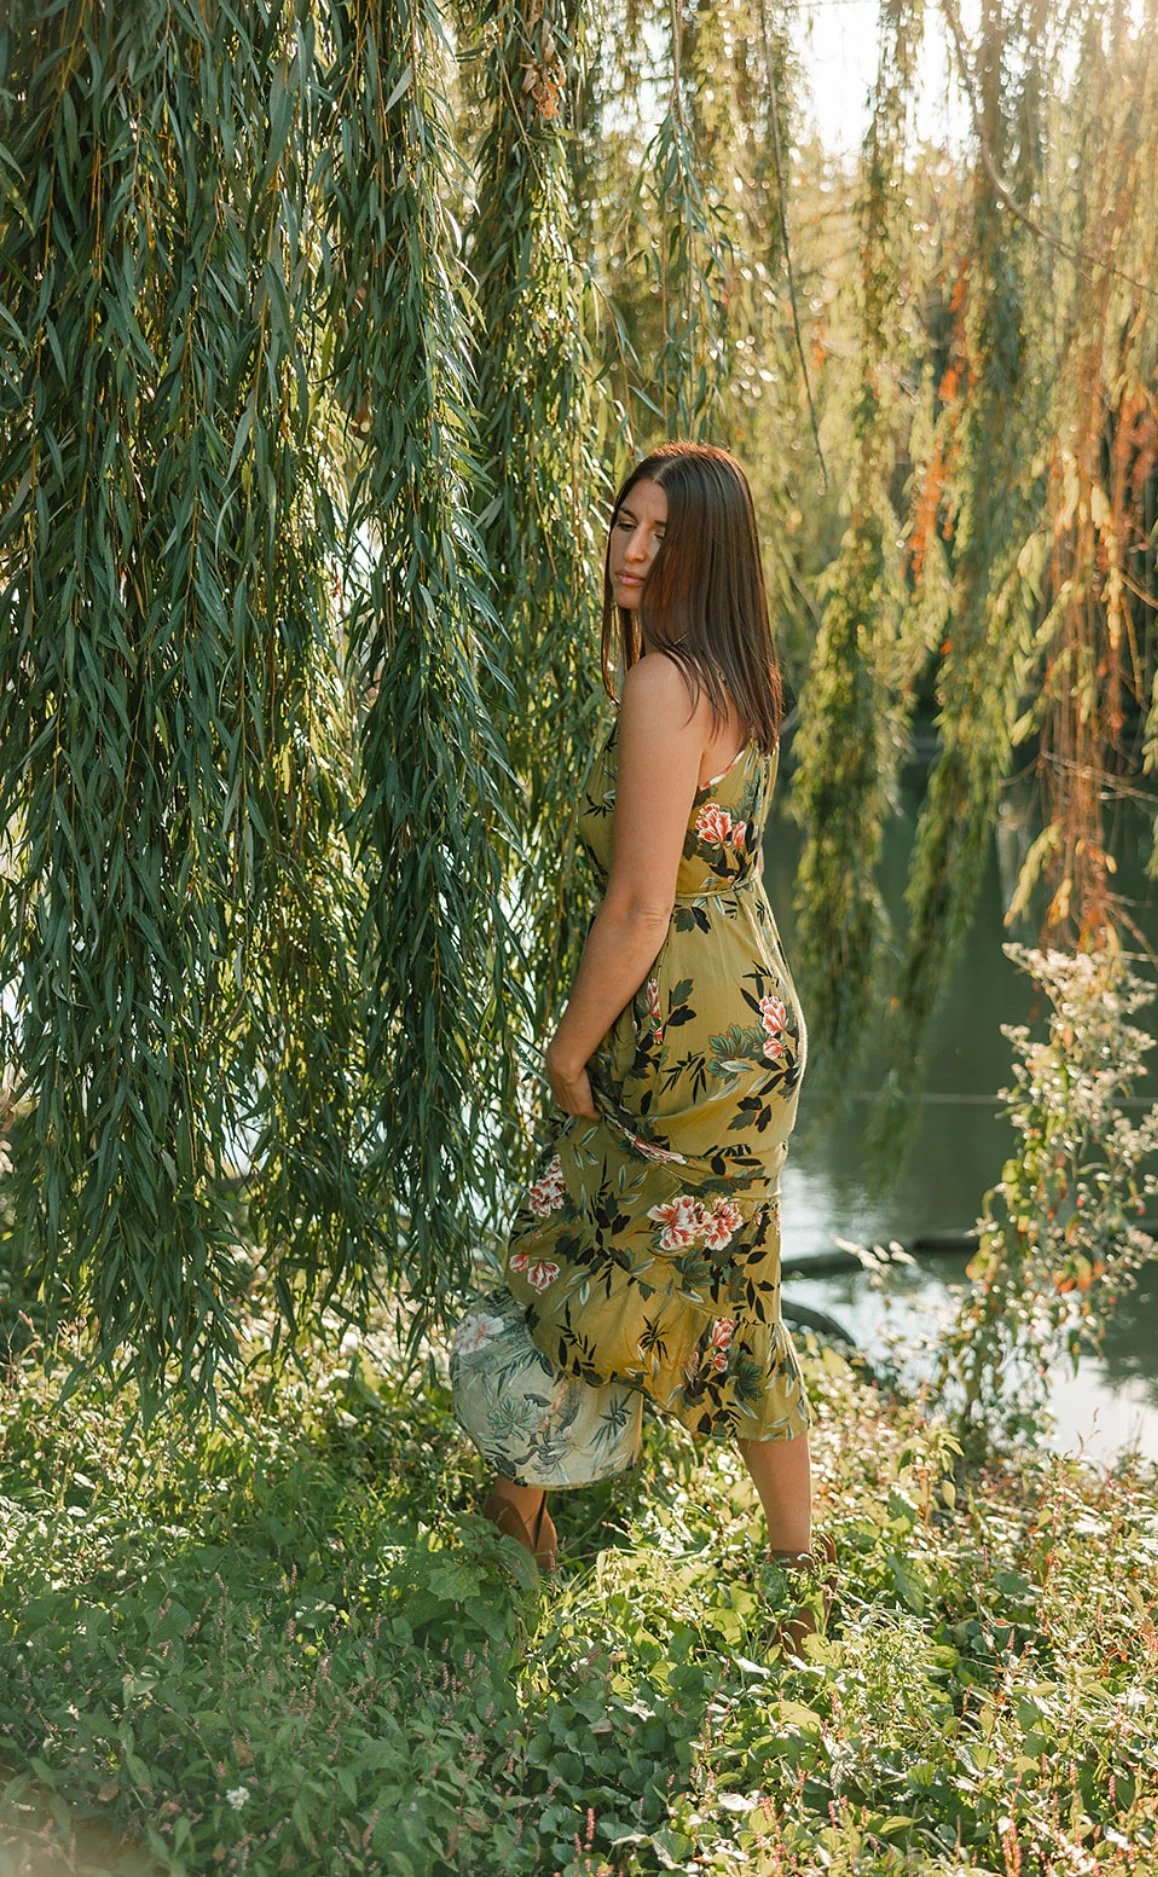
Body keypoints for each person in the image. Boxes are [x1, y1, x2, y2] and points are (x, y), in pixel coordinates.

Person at [450, 441, 834, 1651]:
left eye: (660, 534)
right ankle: (793, 1567)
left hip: (681, 1040)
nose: (628, 547)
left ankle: (515, 1519)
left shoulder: (662, 684)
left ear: (704, 552)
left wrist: (568, 1052)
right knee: (729, 1288)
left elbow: (638, 906)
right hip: (750, 1025)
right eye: (623, 522)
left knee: (570, 1252)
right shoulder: (740, 669)